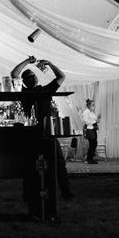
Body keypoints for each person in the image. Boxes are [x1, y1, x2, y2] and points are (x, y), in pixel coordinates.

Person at [11, 56, 73, 221]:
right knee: (30, 165)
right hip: (32, 133)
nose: (31, 78)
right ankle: (28, 194)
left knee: (58, 162)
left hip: (48, 132)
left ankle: (65, 191)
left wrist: (50, 63)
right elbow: (14, 74)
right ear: (25, 81)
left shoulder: (46, 90)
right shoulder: (23, 93)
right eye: (27, 77)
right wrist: (26, 62)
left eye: (32, 75)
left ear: (37, 78)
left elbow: (61, 77)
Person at [82, 98, 101, 164]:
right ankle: (89, 158)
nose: (94, 107)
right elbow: (85, 121)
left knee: (94, 143)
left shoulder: (92, 113)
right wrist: (94, 121)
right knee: (93, 143)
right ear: (89, 105)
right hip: (89, 129)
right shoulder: (85, 112)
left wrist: (98, 118)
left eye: (94, 105)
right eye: (93, 105)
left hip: (93, 129)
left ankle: (90, 158)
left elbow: (96, 120)